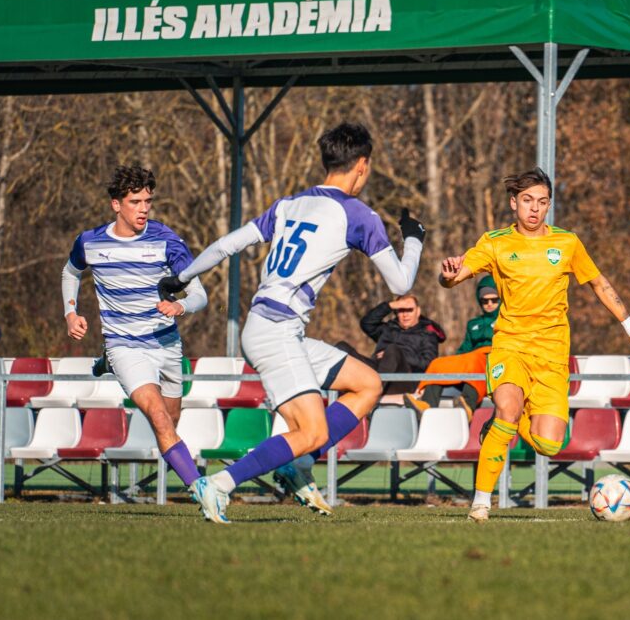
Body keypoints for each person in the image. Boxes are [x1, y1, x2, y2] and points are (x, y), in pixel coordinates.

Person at [162, 122, 424, 524]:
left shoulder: (289, 204)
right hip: (277, 332)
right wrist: (415, 239)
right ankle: (219, 484)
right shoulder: (358, 214)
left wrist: (181, 278)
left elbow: (227, 245)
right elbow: (401, 284)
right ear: (362, 165)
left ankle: (297, 465)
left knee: (368, 384)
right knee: (312, 432)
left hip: (273, 327)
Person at [439, 167, 630, 522]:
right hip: (511, 345)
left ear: (549, 205)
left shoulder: (567, 243)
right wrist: (447, 276)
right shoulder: (495, 242)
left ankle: (503, 424)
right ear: (514, 203)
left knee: (549, 443)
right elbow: (455, 275)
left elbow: (599, 284)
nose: (534, 209)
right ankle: (481, 503)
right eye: (527, 201)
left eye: (542, 202)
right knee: (507, 410)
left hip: (552, 355)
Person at [61, 165, 208, 496]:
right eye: (135, 202)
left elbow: (200, 295)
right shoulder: (90, 242)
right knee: (158, 416)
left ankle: (107, 363)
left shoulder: (167, 241)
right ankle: (203, 490)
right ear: (116, 204)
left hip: (167, 344)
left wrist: (181, 306)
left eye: (148, 201)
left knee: (170, 422)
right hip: (124, 343)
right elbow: (70, 272)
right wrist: (70, 313)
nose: (143, 209)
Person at [402, 275, 500, 420]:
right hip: (472, 357)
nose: (489, 304)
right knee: (439, 363)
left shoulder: (505, 320)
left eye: (494, 300)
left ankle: (467, 403)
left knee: (475, 361)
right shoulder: (473, 324)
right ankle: (426, 403)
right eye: (485, 301)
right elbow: (466, 347)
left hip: (493, 358)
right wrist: (454, 363)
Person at [343, 294, 444, 395]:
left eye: (409, 310)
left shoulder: (427, 334)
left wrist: (397, 355)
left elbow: (428, 364)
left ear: (418, 311)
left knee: (392, 350)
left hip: (404, 380)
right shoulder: (389, 328)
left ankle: (373, 391)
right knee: (342, 348)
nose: (405, 315)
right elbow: (367, 323)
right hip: (376, 372)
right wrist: (390, 305)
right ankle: (340, 397)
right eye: (401, 310)